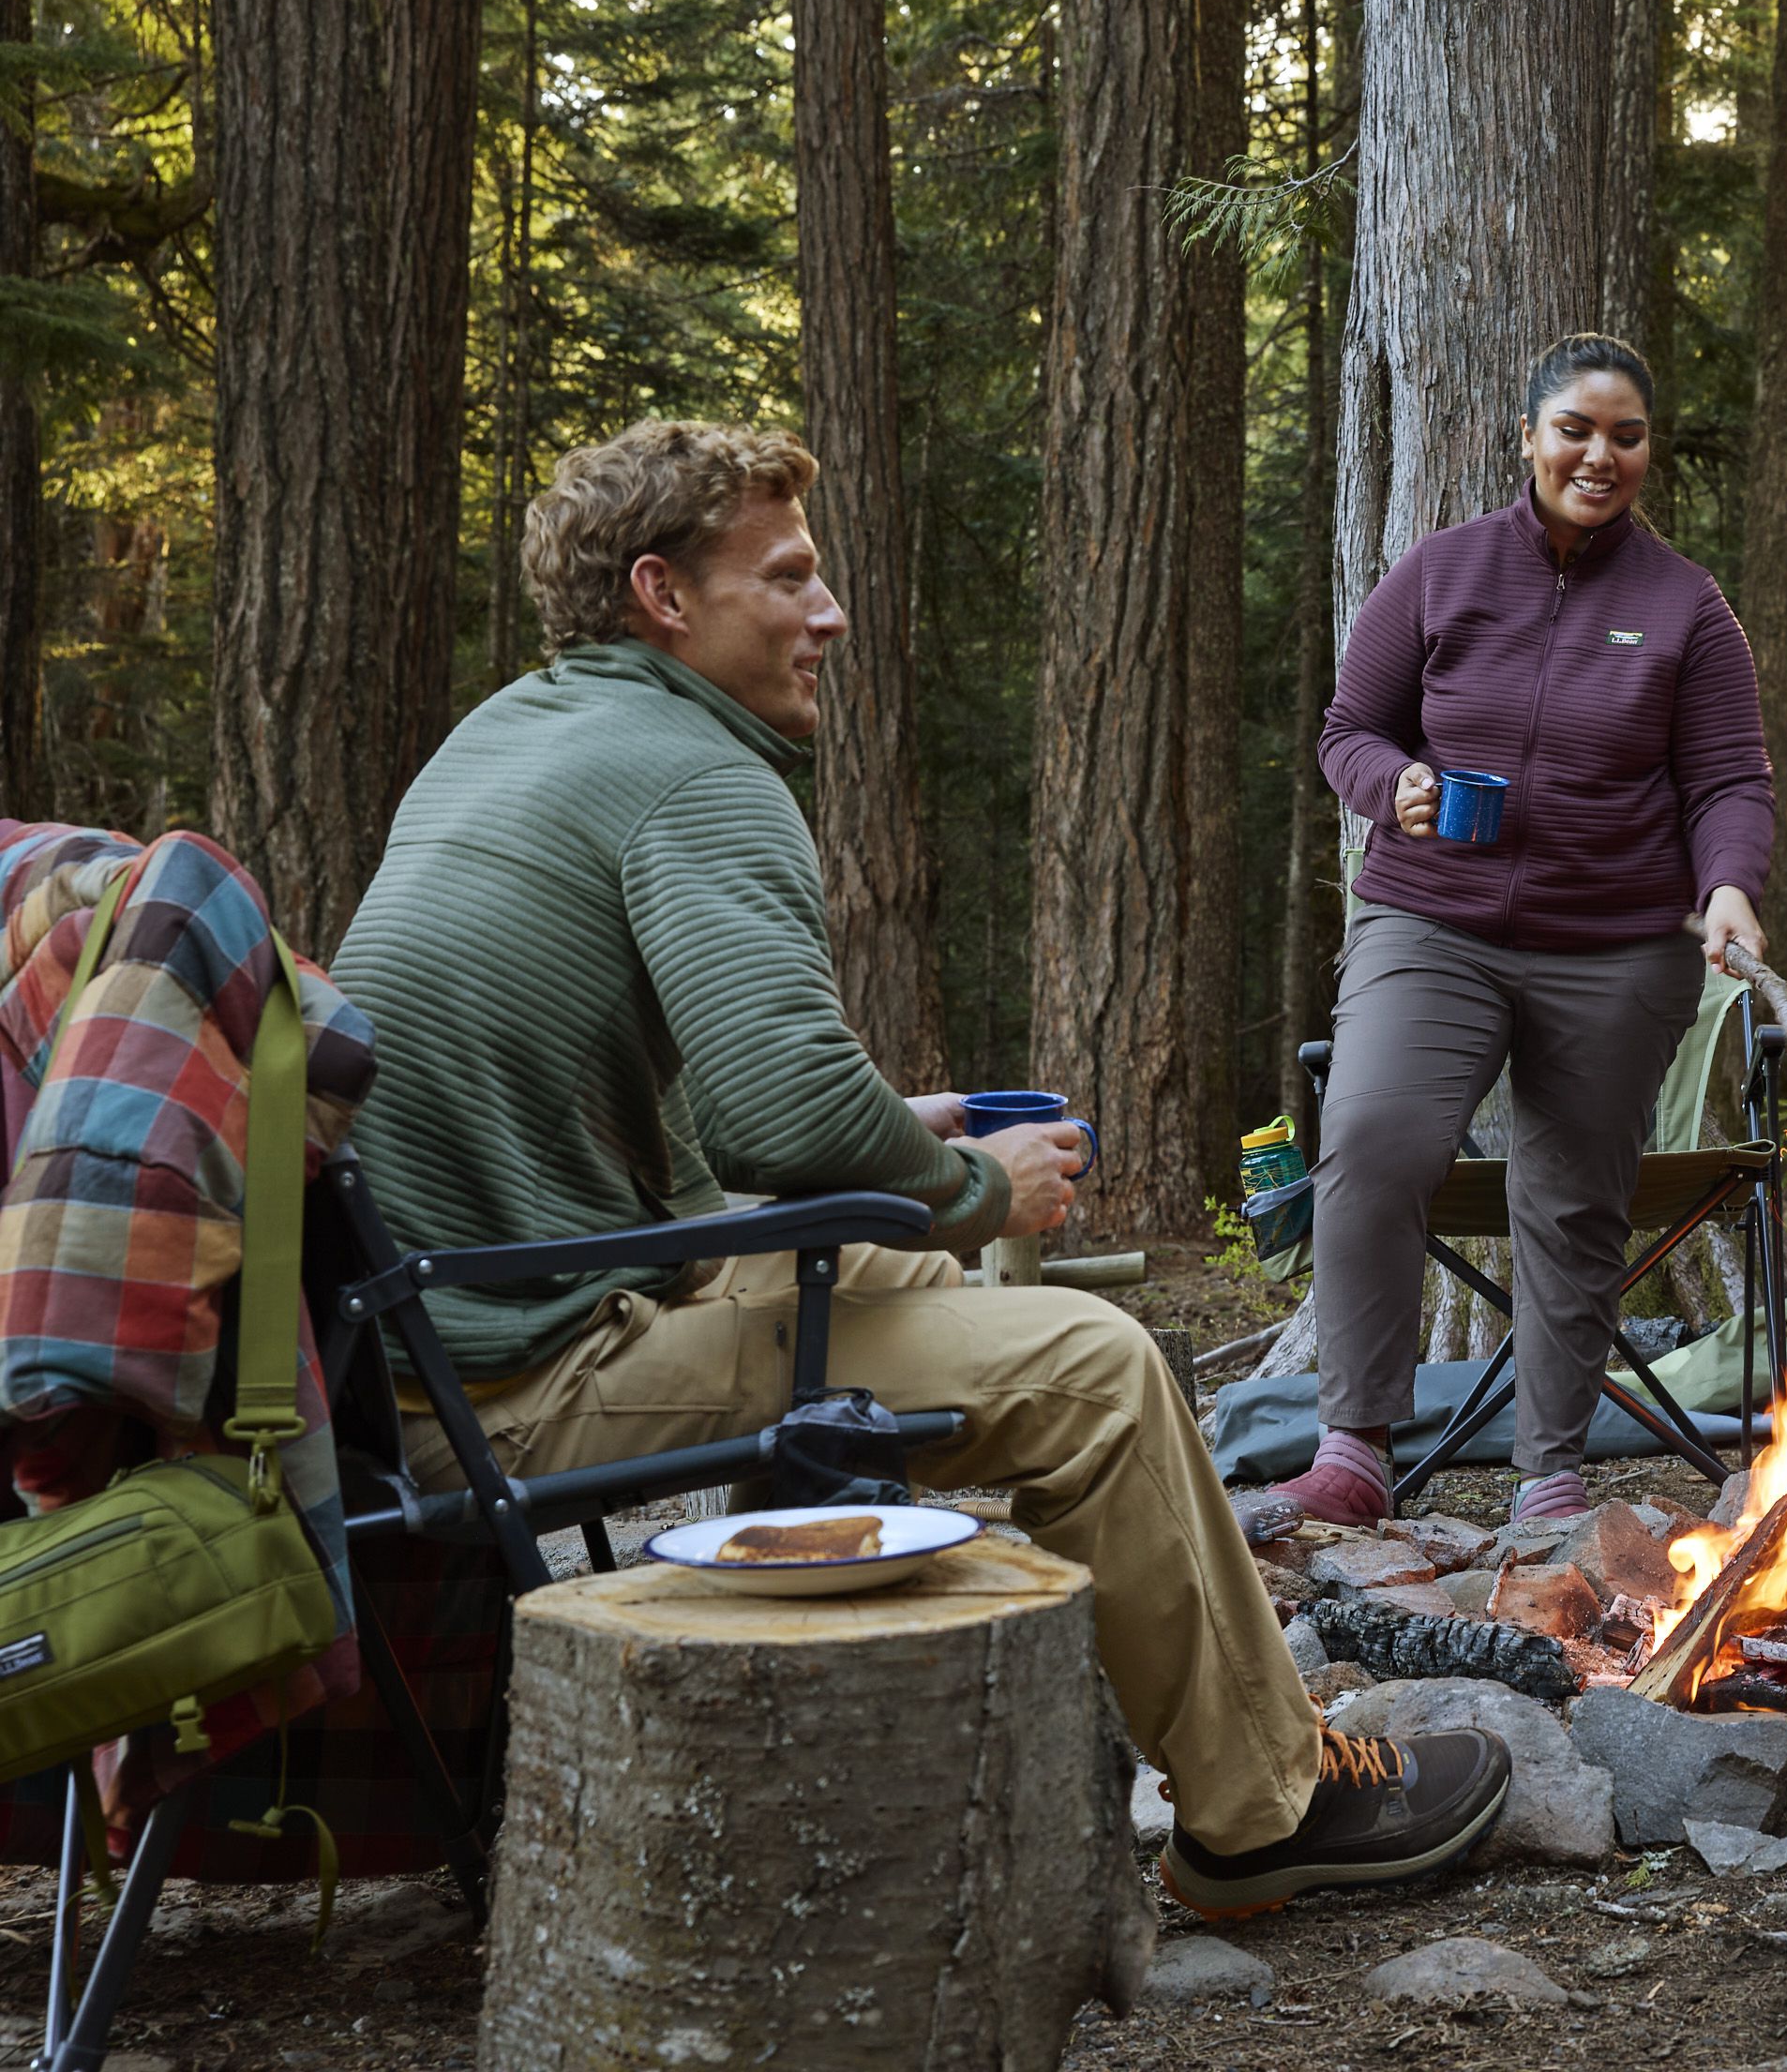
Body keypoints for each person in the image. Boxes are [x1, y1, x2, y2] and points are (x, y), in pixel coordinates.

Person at [334, 418, 1506, 1918]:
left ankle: (977, 1726)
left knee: (889, 1263)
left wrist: (887, 1132)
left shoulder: (512, 736)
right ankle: (1257, 1816)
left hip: (424, 1337)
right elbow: (776, 1115)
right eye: (787, 577)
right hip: (504, 1386)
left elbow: (596, 1088)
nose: (829, 614)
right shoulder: (696, 776)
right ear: (663, 595)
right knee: (1097, 1367)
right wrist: (977, 1191)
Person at [1279, 333, 1776, 1529]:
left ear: (1646, 453)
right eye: (1576, 430)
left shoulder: (1686, 607)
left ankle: (1549, 1471)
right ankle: (1354, 1448)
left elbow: (1729, 782)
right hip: (1432, 922)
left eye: (1626, 437)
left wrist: (1729, 886)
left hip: (1617, 947)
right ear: (1529, 438)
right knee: (1373, 1139)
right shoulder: (1441, 571)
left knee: (1575, 1198)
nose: (1599, 456)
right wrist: (1392, 783)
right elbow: (1348, 729)